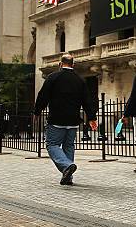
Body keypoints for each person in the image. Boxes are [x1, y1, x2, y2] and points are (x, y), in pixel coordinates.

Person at [34, 54, 98, 186]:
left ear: (60, 64)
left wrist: (37, 111)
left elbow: (43, 95)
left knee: (52, 145)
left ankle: (66, 166)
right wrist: (91, 117)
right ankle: (68, 177)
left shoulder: (53, 77)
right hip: (73, 120)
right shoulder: (79, 80)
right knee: (69, 146)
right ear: (73, 65)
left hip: (56, 119)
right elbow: (87, 100)